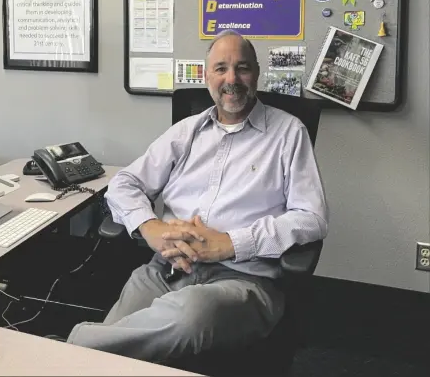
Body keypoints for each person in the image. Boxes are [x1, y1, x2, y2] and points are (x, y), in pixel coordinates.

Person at [67, 29, 328, 363]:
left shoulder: (289, 133)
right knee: (112, 356)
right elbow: (124, 183)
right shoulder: (185, 132)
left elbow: (312, 218)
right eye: (221, 68)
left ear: (257, 74)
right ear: (207, 76)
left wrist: (231, 243)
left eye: (242, 68)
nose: (231, 78)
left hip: (242, 281)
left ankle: (67, 346)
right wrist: (150, 227)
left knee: (191, 315)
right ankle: (78, 354)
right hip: (166, 268)